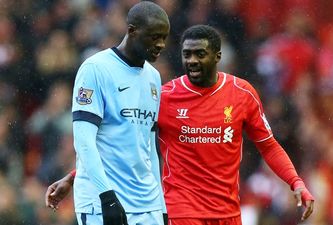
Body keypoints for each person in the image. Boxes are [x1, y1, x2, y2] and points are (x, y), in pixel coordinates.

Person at [46, 25, 314, 225]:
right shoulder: (164, 97)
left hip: (228, 212)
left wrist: (296, 182)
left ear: (218, 56)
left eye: (200, 54)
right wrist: (74, 177)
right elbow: (126, 145)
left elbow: (268, 145)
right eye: (187, 54)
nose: (192, 61)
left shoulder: (242, 93)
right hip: (181, 210)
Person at [51, 1, 170, 225]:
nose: (161, 44)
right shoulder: (95, 69)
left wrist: (161, 205)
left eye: (164, 37)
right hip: (102, 202)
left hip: (147, 203)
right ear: (132, 31)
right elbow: (84, 141)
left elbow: (150, 147)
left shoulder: (154, 77)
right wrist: (107, 197)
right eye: (154, 37)